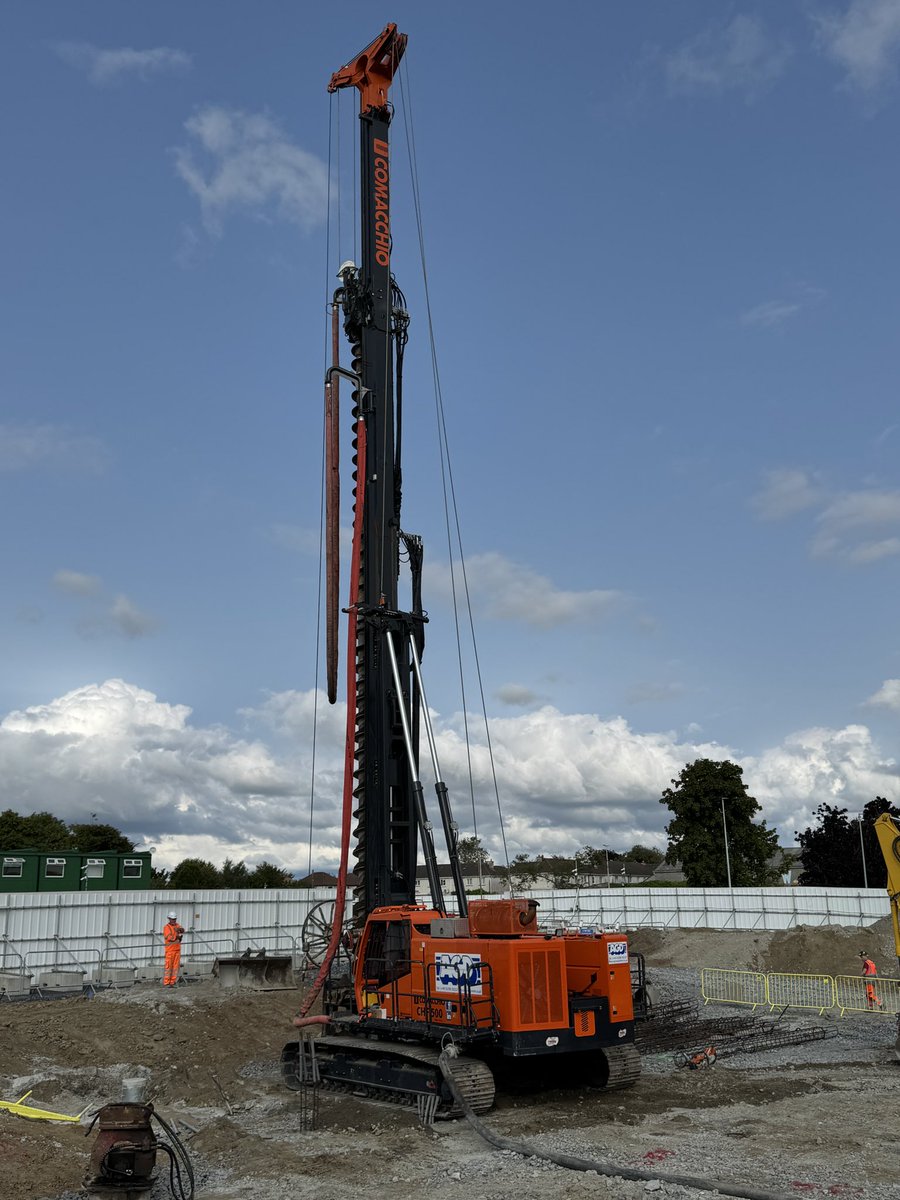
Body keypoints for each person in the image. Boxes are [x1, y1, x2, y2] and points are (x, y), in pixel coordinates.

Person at [163, 911, 185, 987]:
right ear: (169, 919)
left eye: (175, 919)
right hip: (170, 950)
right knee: (168, 967)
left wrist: (181, 930)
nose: (174, 920)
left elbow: (182, 929)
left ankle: (173, 982)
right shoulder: (166, 927)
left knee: (175, 967)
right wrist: (177, 937)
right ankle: (166, 982)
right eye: (172, 919)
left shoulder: (177, 925)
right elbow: (169, 937)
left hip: (177, 950)